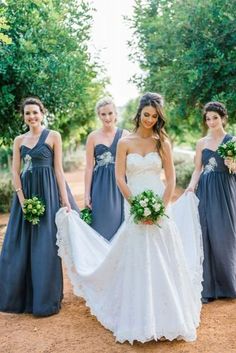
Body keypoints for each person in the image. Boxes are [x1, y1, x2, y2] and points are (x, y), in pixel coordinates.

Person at [56, 92, 203, 344]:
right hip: (134, 203)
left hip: (159, 204)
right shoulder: (125, 142)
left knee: (162, 253)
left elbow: (171, 179)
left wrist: (160, 206)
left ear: (159, 118)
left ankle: (169, 317)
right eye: (146, 114)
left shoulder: (162, 142)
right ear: (139, 114)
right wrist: (136, 205)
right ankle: (138, 317)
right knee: (137, 255)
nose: (149, 119)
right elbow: (119, 178)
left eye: (154, 116)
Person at [0, 97, 79, 316]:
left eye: (35, 112)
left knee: (46, 246)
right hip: (26, 196)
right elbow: (15, 172)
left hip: (48, 194)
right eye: (27, 113)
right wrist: (23, 202)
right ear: (23, 116)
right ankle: (21, 299)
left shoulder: (54, 136)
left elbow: (58, 170)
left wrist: (64, 200)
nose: (32, 117)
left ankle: (46, 300)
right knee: (20, 246)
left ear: (42, 113)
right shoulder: (18, 140)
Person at [186, 101, 236, 303]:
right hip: (206, 190)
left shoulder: (232, 141)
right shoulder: (201, 143)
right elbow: (198, 168)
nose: (211, 121)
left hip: (225, 190)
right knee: (205, 233)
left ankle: (229, 284)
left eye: (215, 117)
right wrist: (191, 186)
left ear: (223, 118)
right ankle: (209, 287)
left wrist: (232, 163)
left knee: (225, 234)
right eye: (208, 118)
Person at [84, 97, 129, 240]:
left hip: (120, 185)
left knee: (119, 225)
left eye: (110, 113)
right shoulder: (92, 137)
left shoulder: (126, 135)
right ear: (99, 115)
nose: (107, 117)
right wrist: (86, 194)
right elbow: (89, 167)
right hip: (99, 186)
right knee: (100, 225)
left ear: (116, 114)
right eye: (103, 114)